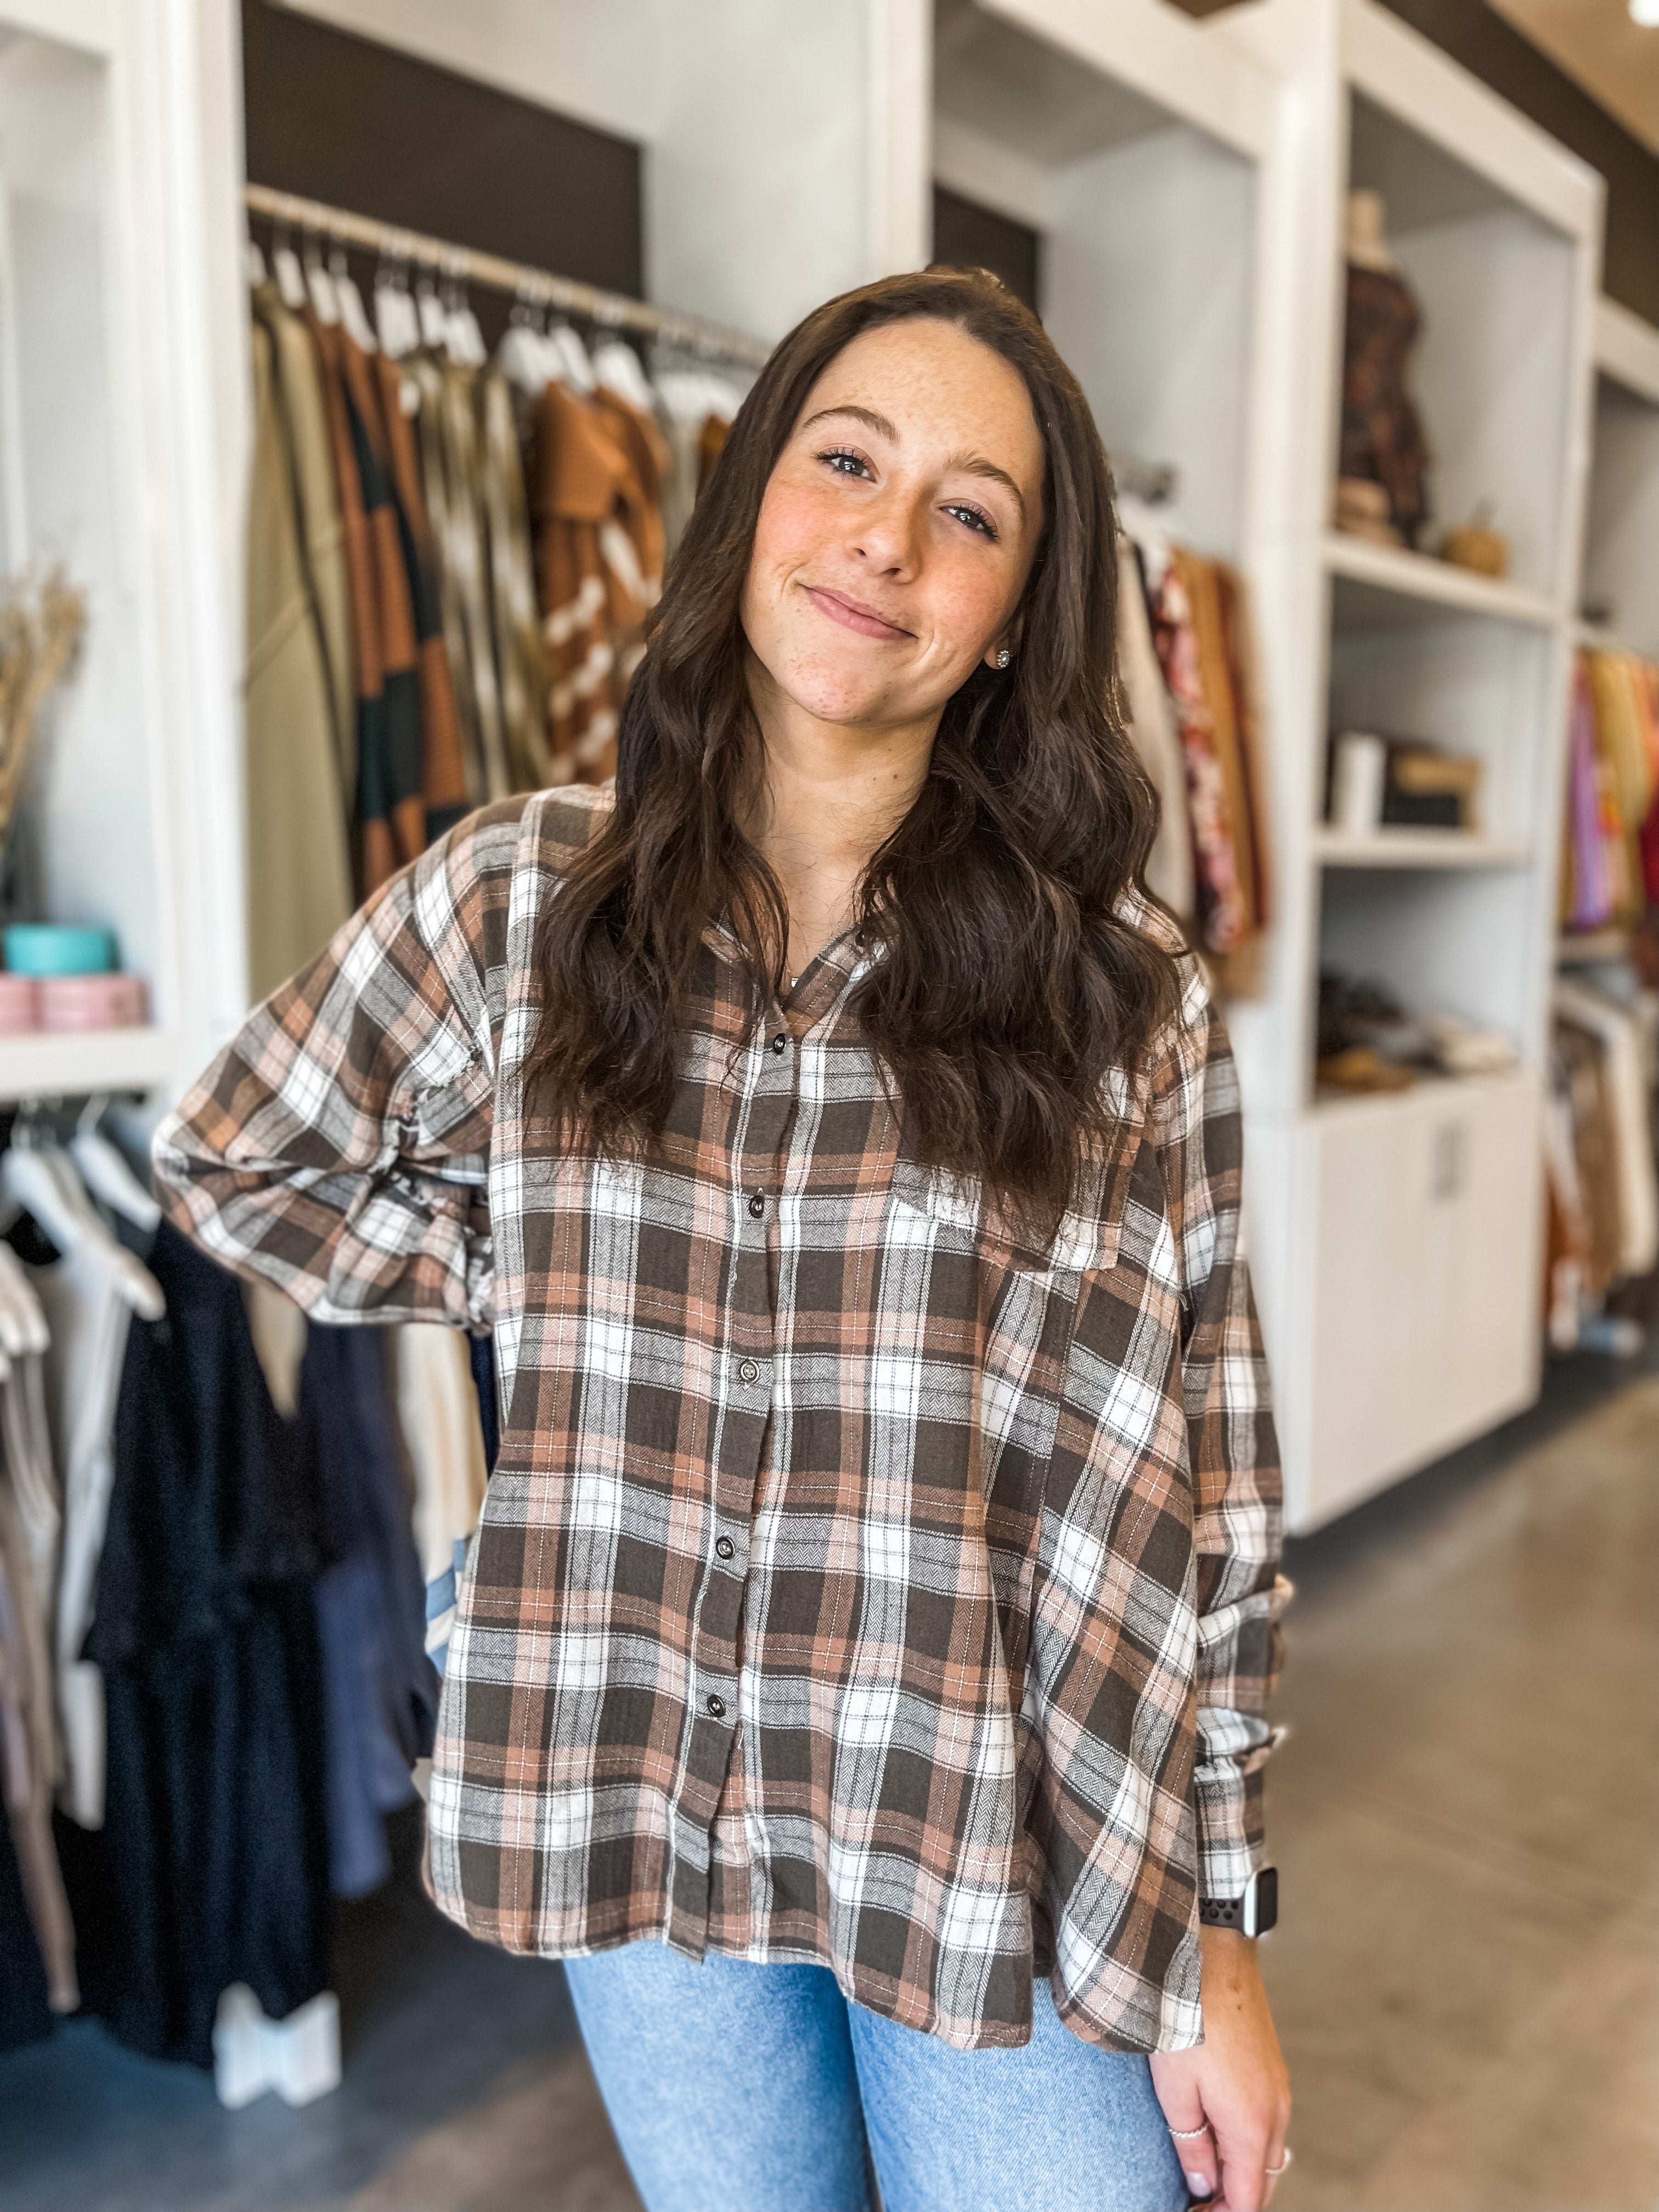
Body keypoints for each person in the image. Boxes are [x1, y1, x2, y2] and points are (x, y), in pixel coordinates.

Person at [155, 267, 1293, 2212]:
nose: (886, 539)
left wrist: (1228, 1923)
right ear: (753, 496)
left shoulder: (1123, 996)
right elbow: (235, 1157)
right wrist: (539, 1269)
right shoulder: (523, 899)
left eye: (971, 513)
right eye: (846, 461)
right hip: (637, 1771)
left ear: (1015, 616)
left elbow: (1209, 1478)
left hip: (993, 1821)